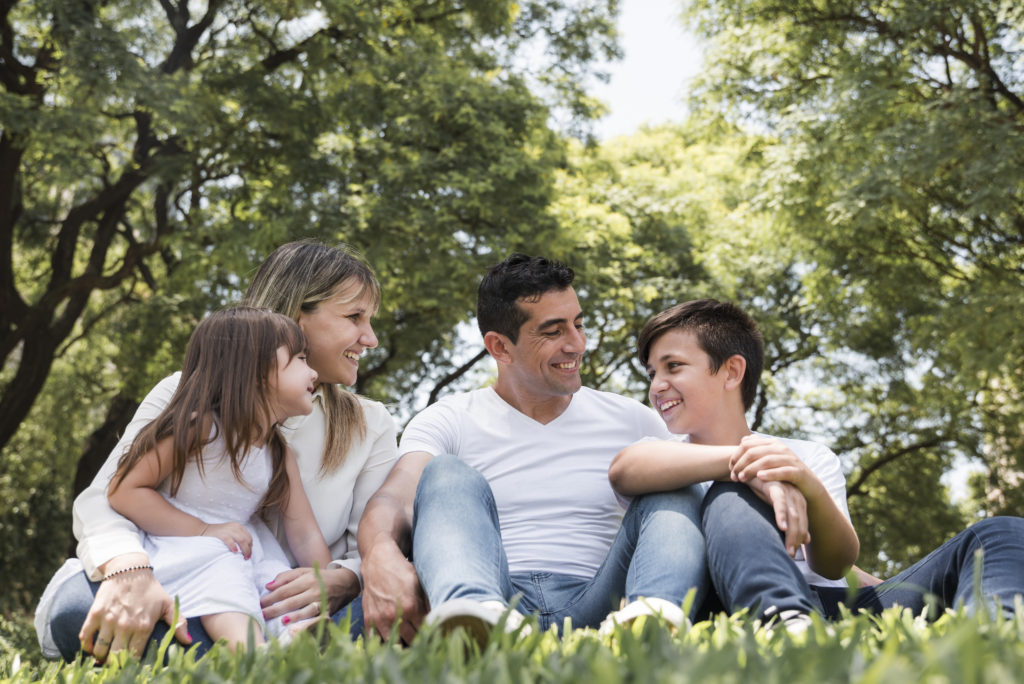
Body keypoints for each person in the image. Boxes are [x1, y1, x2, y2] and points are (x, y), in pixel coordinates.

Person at [35, 240, 398, 661]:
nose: (370, 338)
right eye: (355, 317)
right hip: (177, 575)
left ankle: (237, 659)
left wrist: (341, 579)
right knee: (76, 608)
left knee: (370, 617)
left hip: (283, 601)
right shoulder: (188, 393)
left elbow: (372, 546)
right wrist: (130, 570)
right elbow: (105, 499)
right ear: (298, 318)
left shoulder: (370, 425)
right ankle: (260, 662)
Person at [356, 254, 707, 643]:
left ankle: (651, 622)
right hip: (498, 593)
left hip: (602, 598)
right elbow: (394, 498)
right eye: (554, 331)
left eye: (578, 324)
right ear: (500, 347)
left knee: (677, 475)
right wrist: (379, 553)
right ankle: (472, 622)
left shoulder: (633, 419)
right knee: (446, 473)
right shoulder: (449, 418)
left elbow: (697, 491)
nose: (577, 344)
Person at [610, 298, 1024, 626]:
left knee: (998, 532)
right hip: (726, 600)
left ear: (732, 371)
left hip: (830, 603)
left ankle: (997, 636)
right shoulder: (664, 451)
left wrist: (801, 481)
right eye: (651, 373)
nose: (657, 386)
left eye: (674, 367)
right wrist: (751, 466)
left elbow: (833, 563)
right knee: (732, 489)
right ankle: (782, 620)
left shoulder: (807, 455)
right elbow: (626, 469)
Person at [106, 308, 330, 649]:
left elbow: (304, 531)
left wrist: (323, 582)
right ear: (256, 372)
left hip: (240, 545)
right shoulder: (202, 428)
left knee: (276, 580)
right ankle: (250, 652)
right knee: (224, 572)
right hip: (184, 543)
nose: (313, 370)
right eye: (300, 358)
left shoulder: (277, 452)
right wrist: (203, 531)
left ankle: (293, 635)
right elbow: (125, 490)